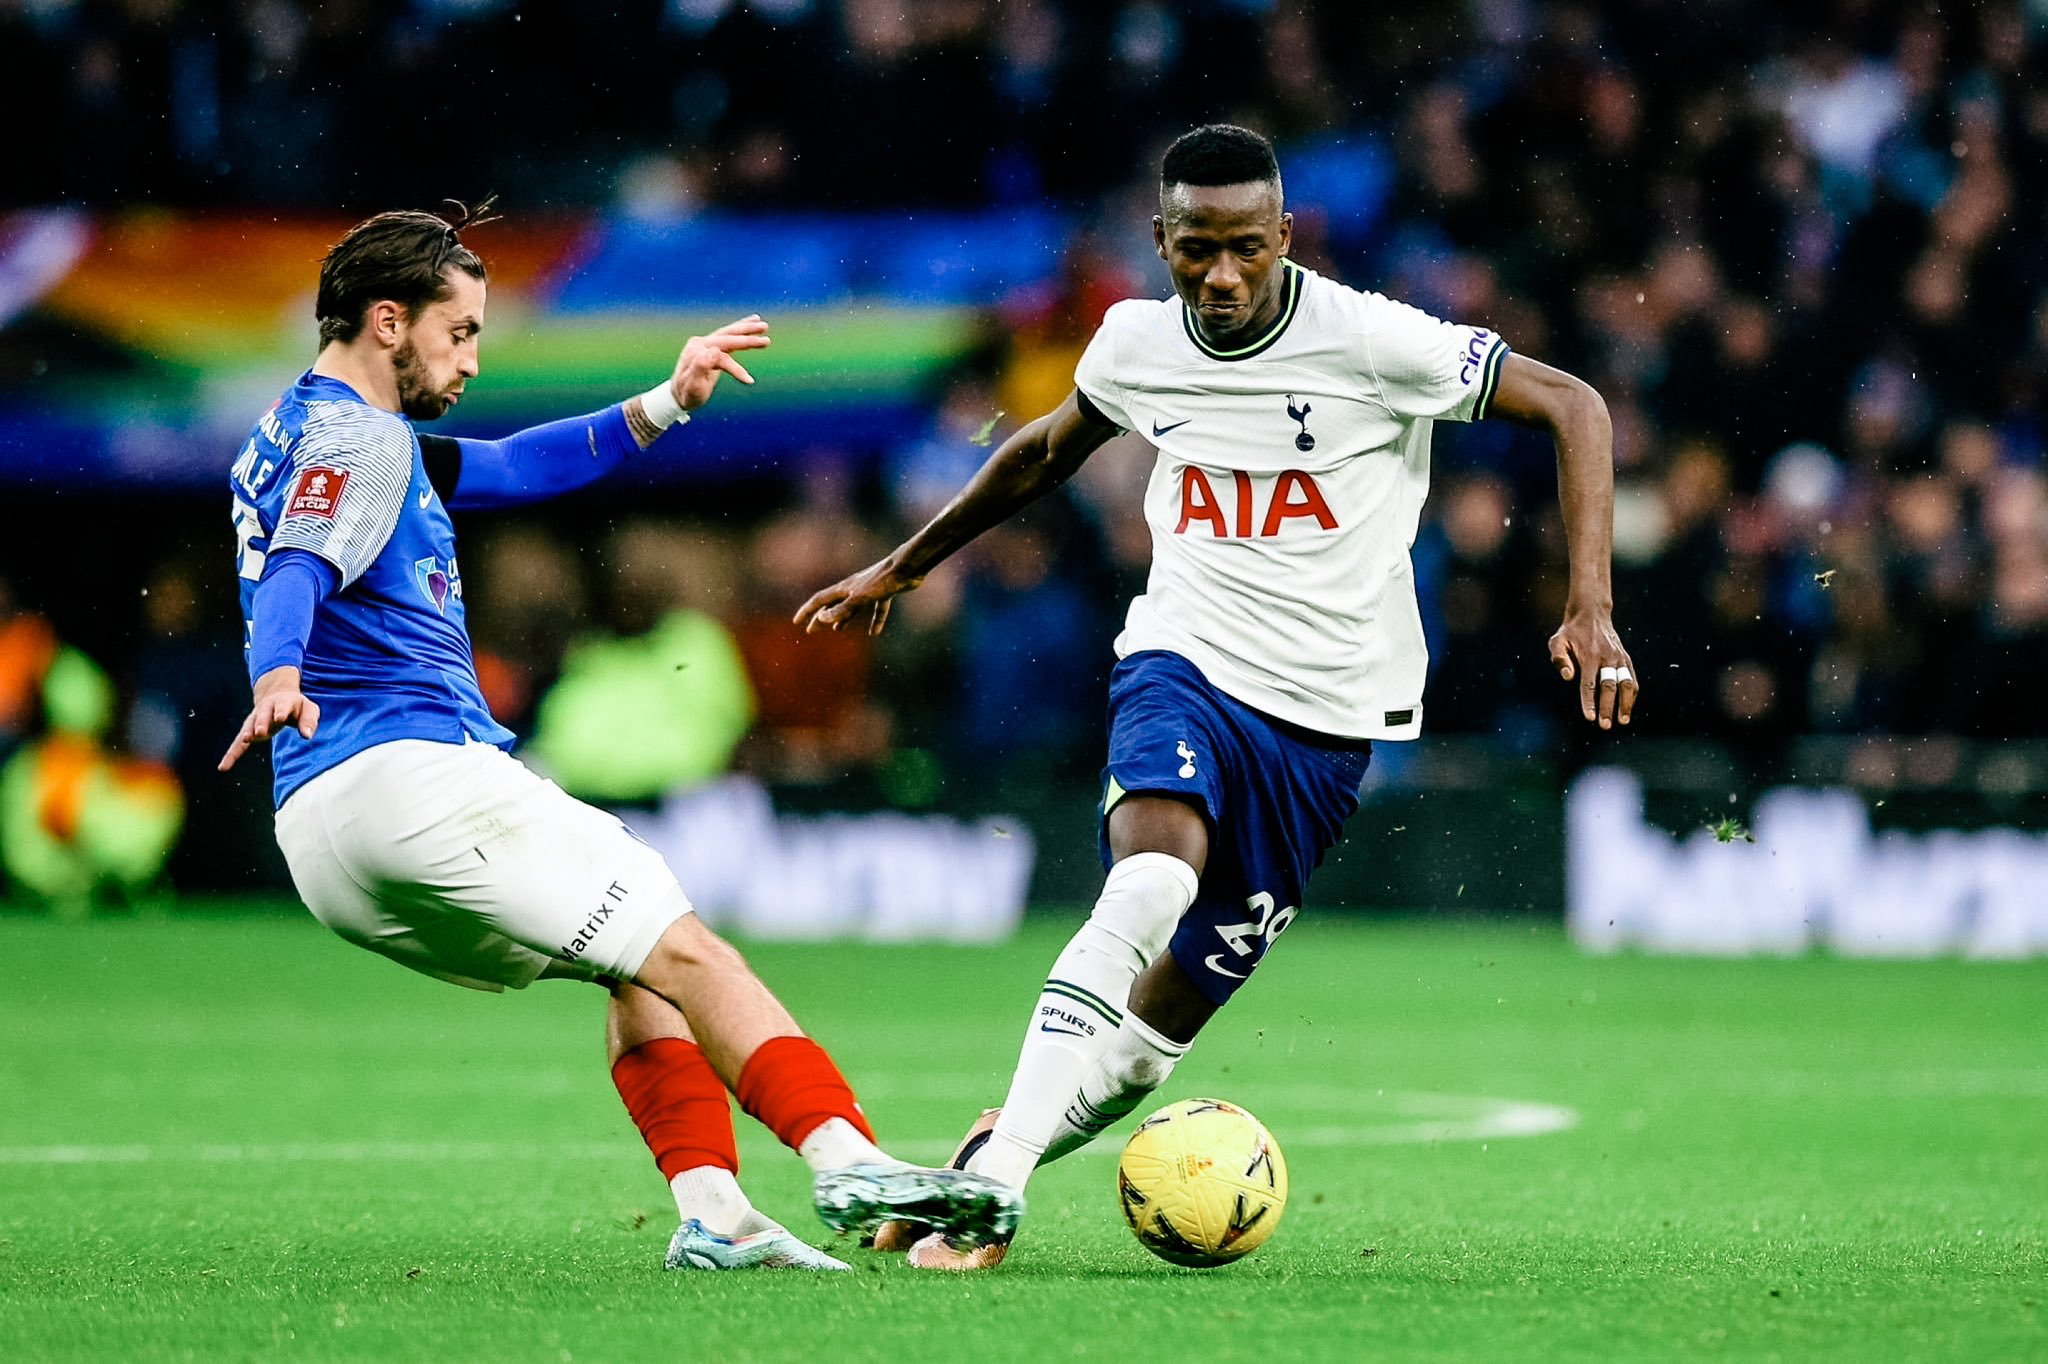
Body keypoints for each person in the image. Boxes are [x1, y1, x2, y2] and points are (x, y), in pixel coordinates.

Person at [796, 125, 1639, 1270]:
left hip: (1327, 721)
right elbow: (1044, 449)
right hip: (1183, 660)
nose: (1223, 276)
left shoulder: (1371, 338)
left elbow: (1576, 405)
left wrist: (1587, 604)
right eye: (1197, 250)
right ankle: (991, 1191)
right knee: (1147, 877)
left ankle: (994, 1148)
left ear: (1284, 236)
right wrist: (907, 561)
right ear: (1160, 241)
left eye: (1247, 248)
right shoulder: (1137, 343)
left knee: (1144, 1054)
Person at [218, 201, 1021, 1273]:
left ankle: (717, 1215)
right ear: (386, 320)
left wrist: (664, 401)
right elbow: (299, 569)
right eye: (458, 332)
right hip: (409, 775)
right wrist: (276, 668)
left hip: (322, 834)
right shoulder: (358, 436)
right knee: (688, 941)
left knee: (639, 967)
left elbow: (508, 468)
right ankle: (846, 1155)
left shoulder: (300, 434)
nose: (469, 359)